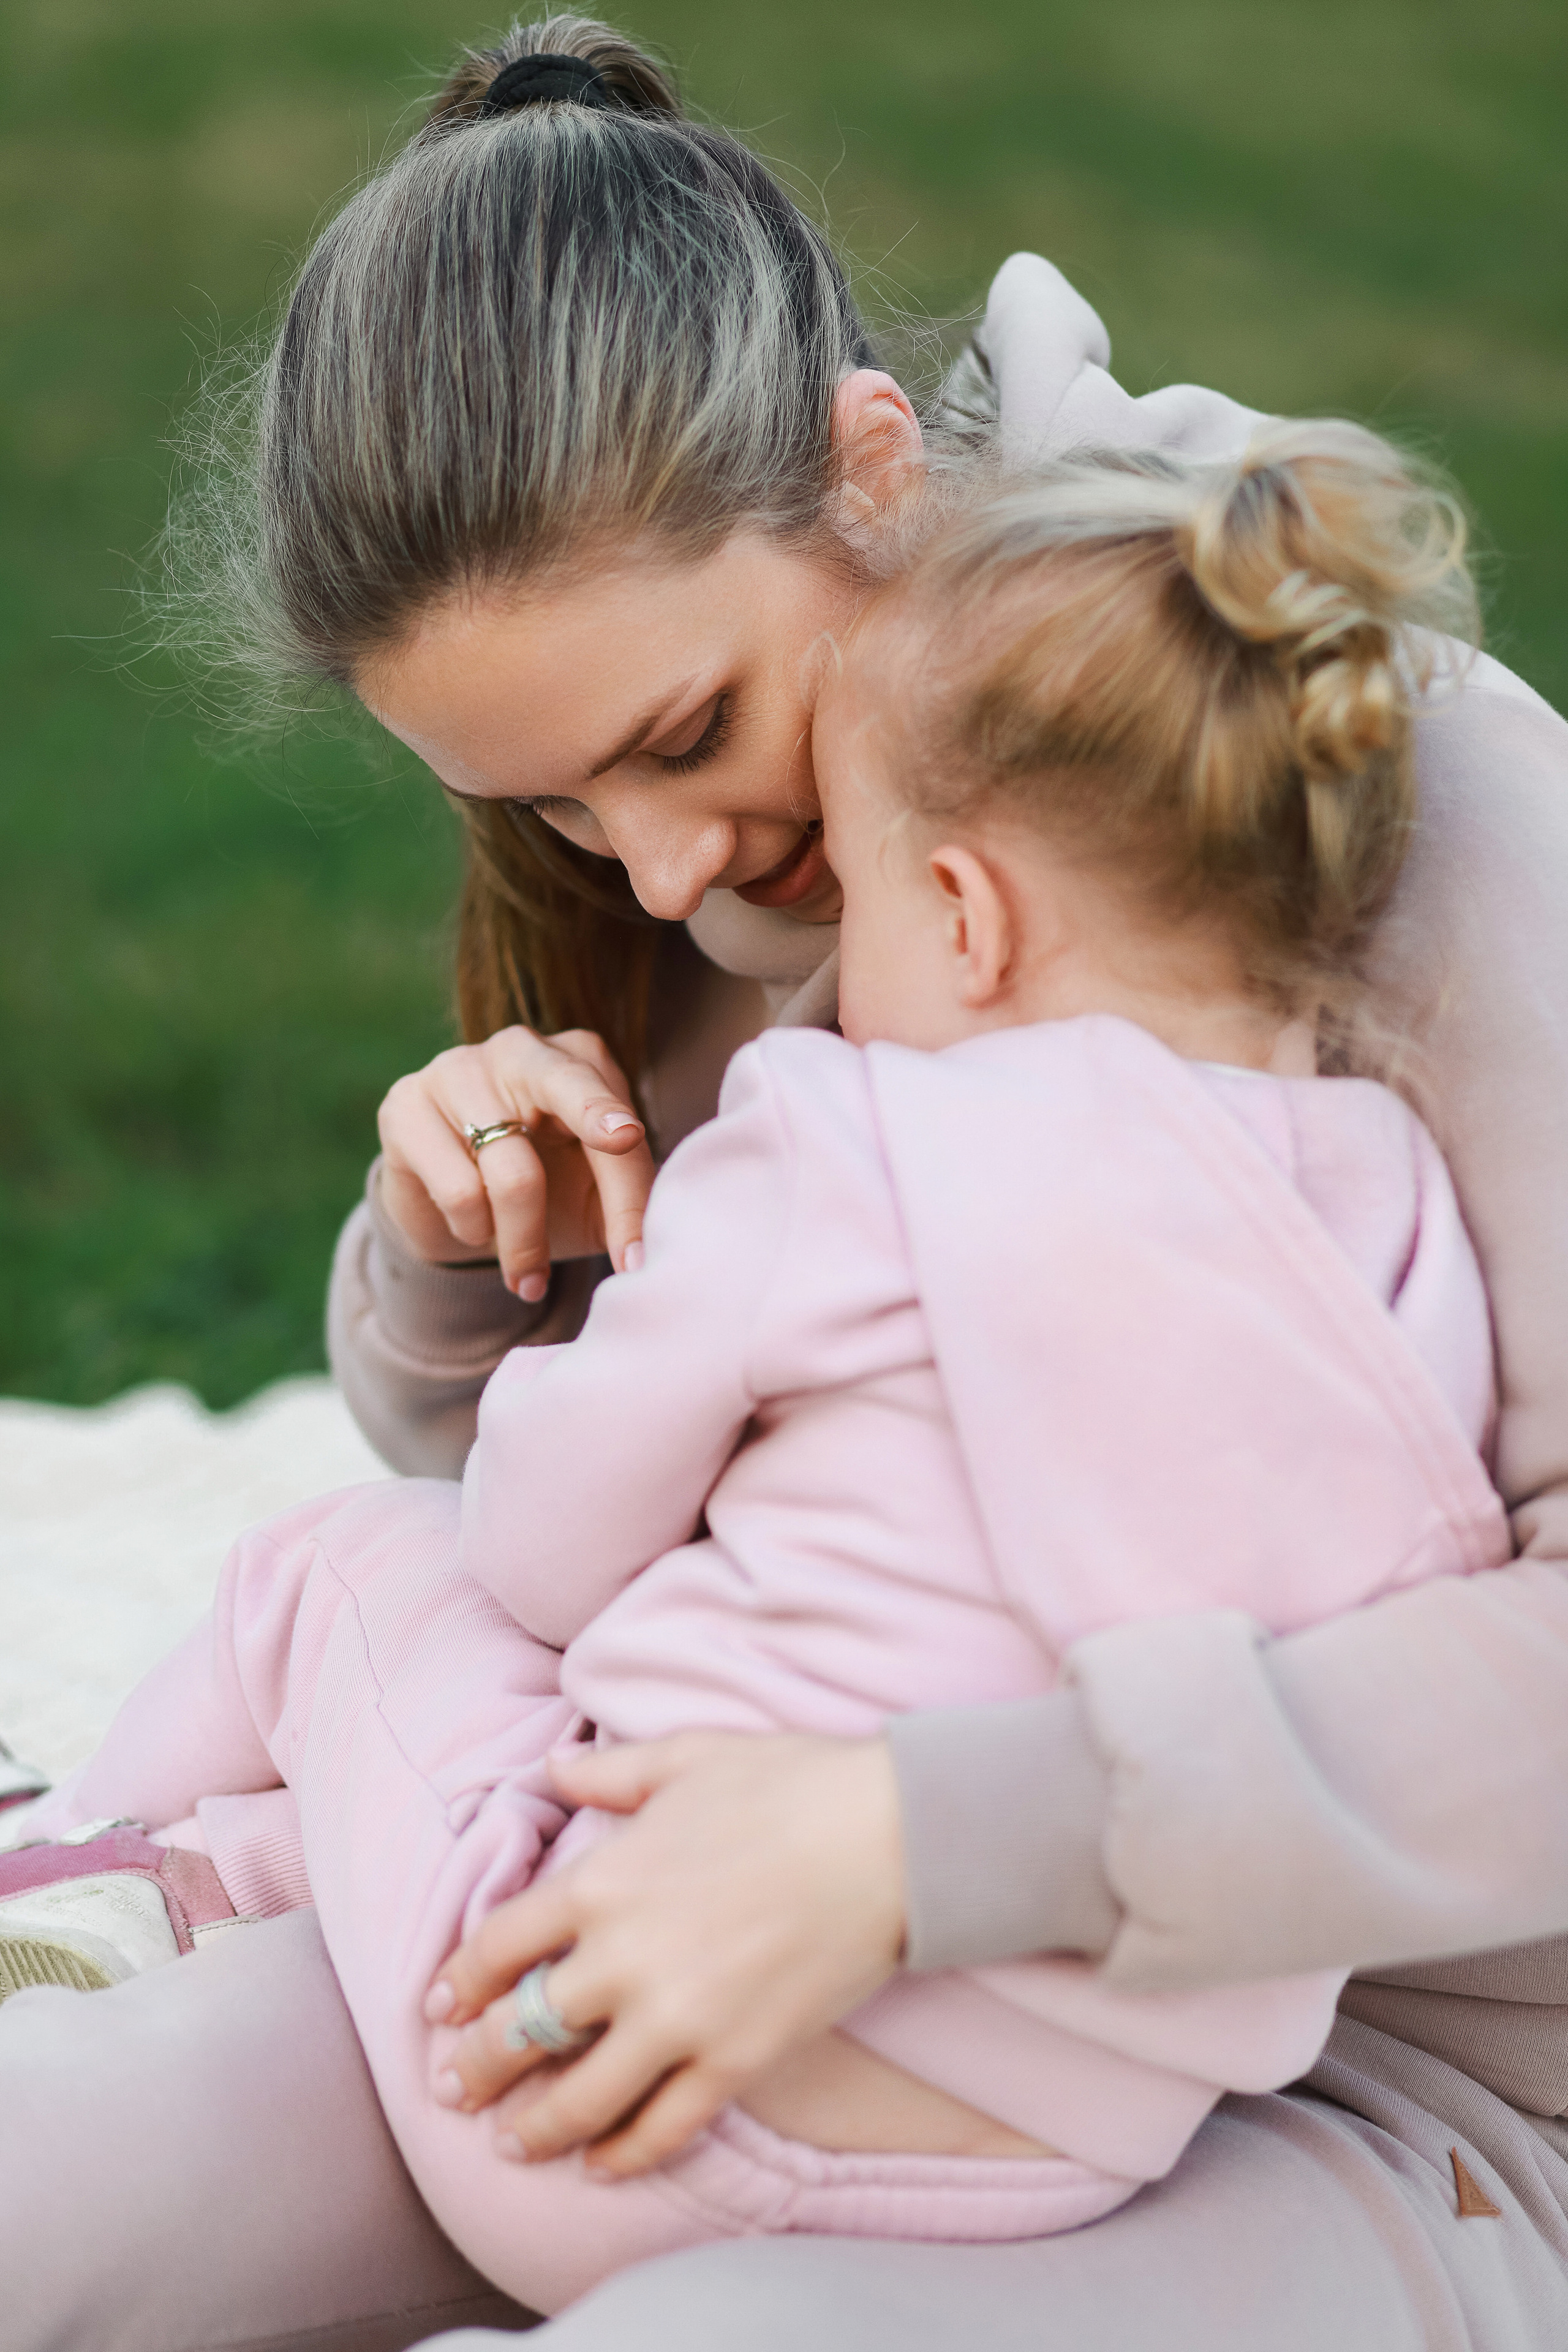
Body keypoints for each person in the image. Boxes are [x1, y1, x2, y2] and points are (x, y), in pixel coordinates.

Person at [4, 17, 1568, 2351]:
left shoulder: (1384, 794)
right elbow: (658, 1473)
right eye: (552, 811)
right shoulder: (771, 849)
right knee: (63, 2159)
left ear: (867, 472)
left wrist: (919, 1847)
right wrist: (454, 1271)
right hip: (766, 1994)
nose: (653, 868)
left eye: (673, 741)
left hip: (1401, 2081)